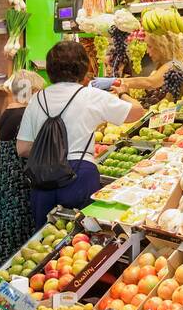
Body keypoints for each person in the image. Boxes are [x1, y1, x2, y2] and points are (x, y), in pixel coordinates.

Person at [16, 41, 145, 224]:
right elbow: (137, 112)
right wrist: (123, 92)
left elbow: (22, 148)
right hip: (80, 175)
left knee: (44, 239)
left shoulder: (37, 99)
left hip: (42, 177)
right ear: (83, 68)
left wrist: (52, 150)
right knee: (81, 238)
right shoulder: (90, 96)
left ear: (50, 69)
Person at [0, 71, 45, 269]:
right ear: (32, 91)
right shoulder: (24, 114)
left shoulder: (8, 111)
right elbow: (27, 149)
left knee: (5, 225)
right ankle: (14, 271)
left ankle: (4, 268)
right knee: (18, 229)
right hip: (18, 180)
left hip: (4, 176)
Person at [100, 33, 183, 106]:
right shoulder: (171, 63)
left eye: (150, 46)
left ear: (162, 47)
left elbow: (150, 83)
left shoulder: (172, 65)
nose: (147, 51)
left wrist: (114, 82)